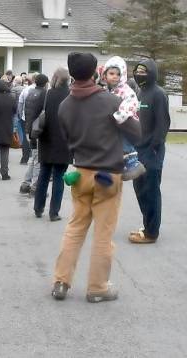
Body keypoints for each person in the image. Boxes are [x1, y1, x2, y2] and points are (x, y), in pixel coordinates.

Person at [51, 52, 141, 303]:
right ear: (95, 74)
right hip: (107, 175)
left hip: (79, 173)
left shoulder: (65, 106)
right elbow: (136, 133)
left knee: (75, 228)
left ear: (72, 74)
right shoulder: (111, 102)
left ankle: (61, 281)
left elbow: (68, 140)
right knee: (103, 233)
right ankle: (98, 287)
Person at [128, 58, 170, 244]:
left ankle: (152, 233)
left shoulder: (158, 94)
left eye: (144, 72)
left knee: (151, 191)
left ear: (152, 73)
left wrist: (154, 148)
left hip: (151, 153)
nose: (140, 75)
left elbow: (163, 125)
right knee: (140, 190)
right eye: (138, 71)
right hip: (137, 151)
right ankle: (147, 226)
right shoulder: (140, 92)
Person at [33, 68, 71, 221]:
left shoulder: (47, 94)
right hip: (64, 142)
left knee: (43, 175)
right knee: (59, 178)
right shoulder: (71, 96)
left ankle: (38, 207)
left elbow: (36, 114)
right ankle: (54, 212)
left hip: (46, 140)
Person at [102, 56, 145, 181]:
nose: (114, 76)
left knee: (125, 142)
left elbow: (132, 103)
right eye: (111, 73)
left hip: (126, 120)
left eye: (118, 74)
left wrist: (119, 115)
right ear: (105, 74)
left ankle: (134, 164)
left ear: (123, 75)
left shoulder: (125, 90)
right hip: (114, 124)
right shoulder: (107, 90)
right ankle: (123, 164)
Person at [21, 74, 49, 196]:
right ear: (45, 83)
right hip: (37, 130)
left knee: (33, 158)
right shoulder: (44, 94)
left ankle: (25, 183)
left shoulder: (30, 92)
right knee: (38, 159)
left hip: (29, 128)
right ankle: (35, 186)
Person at [17, 73, 35, 166]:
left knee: (25, 137)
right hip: (37, 118)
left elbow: (20, 103)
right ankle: (35, 158)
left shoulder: (25, 90)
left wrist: (20, 115)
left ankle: (24, 158)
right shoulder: (43, 90)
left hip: (26, 117)